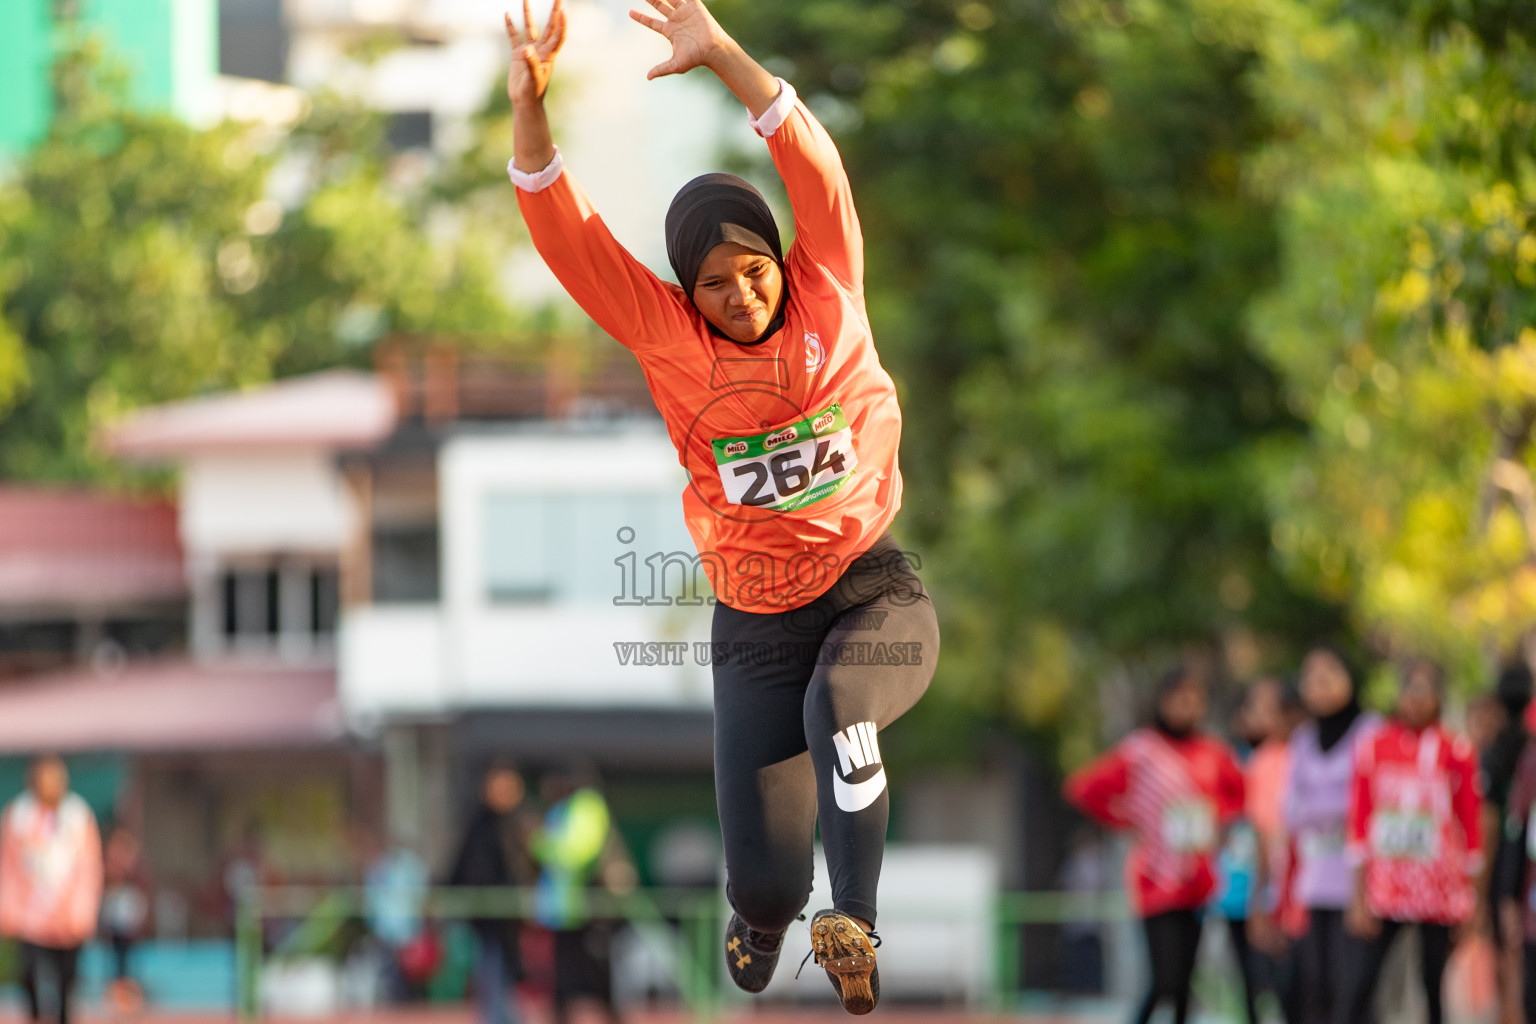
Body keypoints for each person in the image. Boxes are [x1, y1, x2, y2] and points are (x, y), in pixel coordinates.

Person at [501, 0, 939, 1013]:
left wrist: (727, 58)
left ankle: (856, 923)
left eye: (753, 270)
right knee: (767, 880)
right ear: (684, 295)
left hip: (873, 584)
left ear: (780, 260)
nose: (741, 293)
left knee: (845, 705)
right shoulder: (665, 339)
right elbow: (561, 226)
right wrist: (530, 106)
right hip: (754, 619)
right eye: (714, 284)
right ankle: (767, 912)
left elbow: (812, 160)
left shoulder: (829, 285)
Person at [1065, 669, 1245, 1024]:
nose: (1186, 707)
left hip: (1198, 880)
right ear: (1162, 701)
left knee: (1182, 984)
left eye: (1193, 699)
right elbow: (1083, 789)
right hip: (1156, 880)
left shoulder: (1212, 752)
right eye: (1179, 698)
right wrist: (1127, 821)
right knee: (1166, 977)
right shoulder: (1142, 751)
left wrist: (1219, 824)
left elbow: (1238, 794)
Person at [1339, 657, 1483, 1024]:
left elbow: (1470, 821)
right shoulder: (1374, 746)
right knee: (1362, 978)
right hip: (1385, 885)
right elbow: (1359, 819)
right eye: (1410, 690)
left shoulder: (1456, 750)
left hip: (1437, 887)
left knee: (1432, 980)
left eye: (1426, 691)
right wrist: (1359, 893)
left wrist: (1471, 896)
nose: (1417, 700)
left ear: (1438, 697)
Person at [1281, 644, 1380, 1024]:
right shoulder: (1303, 741)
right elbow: (1289, 811)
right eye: (1311, 677)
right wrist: (1336, 808)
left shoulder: (1371, 732)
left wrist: (1323, 807)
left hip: (1360, 886)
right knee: (1316, 989)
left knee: (1352, 995)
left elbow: (1371, 803)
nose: (1318, 685)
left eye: (1328, 675)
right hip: (1315, 882)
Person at [0, 755, 103, 1024]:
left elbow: (89, 869)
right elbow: (8, 868)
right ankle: (34, 1015)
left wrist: (84, 911)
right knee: (29, 972)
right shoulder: (19, 815)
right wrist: (7, 909)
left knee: (66, 979)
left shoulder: (78, 815)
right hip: (30, 914)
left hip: (67, 915)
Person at [531, 768, 627, 1024]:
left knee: (595, 970)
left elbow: (575, 852)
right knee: (568, 974)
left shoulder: (585, 807)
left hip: (588, 906)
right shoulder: (564, 811)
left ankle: (608, 1015)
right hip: (567, 908)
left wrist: (544, 846)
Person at [450, 764, 528, 1024]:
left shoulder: (516, 824)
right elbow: (465, 866)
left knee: (501, 975)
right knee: (492, 972)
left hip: (506, 915)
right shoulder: (482, 824)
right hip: (486, 914)